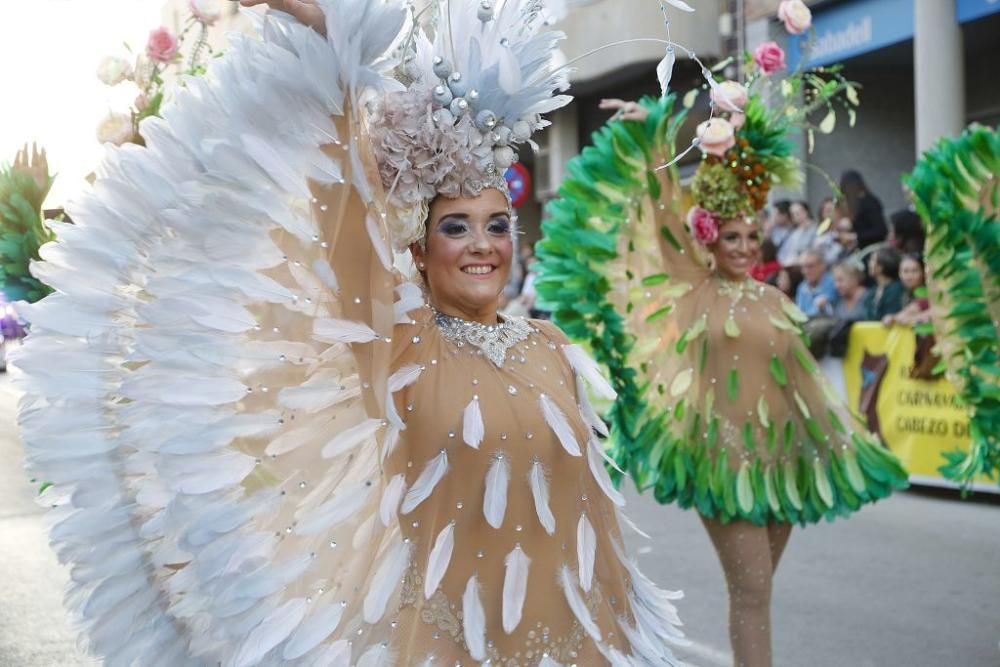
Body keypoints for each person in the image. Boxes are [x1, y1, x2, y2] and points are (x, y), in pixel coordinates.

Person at [12, 2, 688, 665]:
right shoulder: (399, 344)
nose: (482, 244)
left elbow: (593, 524)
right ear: (418, 252)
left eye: (497, 224)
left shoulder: (553, 348)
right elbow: (347, 219)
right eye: (456, 226)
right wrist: (330, 49)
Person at [569, 84, 907, 666]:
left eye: (753, 236)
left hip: (784, 465)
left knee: (758, 594)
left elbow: (804, 385)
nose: (746, 247)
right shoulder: (693, 289)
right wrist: (650, 139)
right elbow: (661, 213)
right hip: (725, 468)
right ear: (709, 239)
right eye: (732, 237)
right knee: (751, 594)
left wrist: (839, 446)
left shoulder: (775, 299)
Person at [839, 170, 888, 248]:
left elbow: (880, 230)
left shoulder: (869, 202)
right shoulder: (858, 203)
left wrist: (854, 236)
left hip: (873, 248)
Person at [883, 253, 931, 327]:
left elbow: (907, 313)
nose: (909, 276)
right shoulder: (904, 294)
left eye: (914, 271)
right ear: (899, 273)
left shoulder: (927, 293)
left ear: (923, 272)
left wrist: (893, 318)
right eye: (905, 271)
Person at [863, 246, 905, 321]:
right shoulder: (873, 290)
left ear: (881, 266)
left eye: (872, 260)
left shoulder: (896, 289)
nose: (869, 263)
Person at [795, 249, 838, 318]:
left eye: (810, 266)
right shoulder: (802, 287)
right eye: (803, 267)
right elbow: (799, 313)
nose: (805, 271)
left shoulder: (834, 282)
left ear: (822, 265)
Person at [776, 200, 817, 266]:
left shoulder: (816, 228)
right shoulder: (795, 233)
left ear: (806, 211)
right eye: (793, 214)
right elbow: (789, 252)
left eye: (797, 213)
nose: (795, 216)